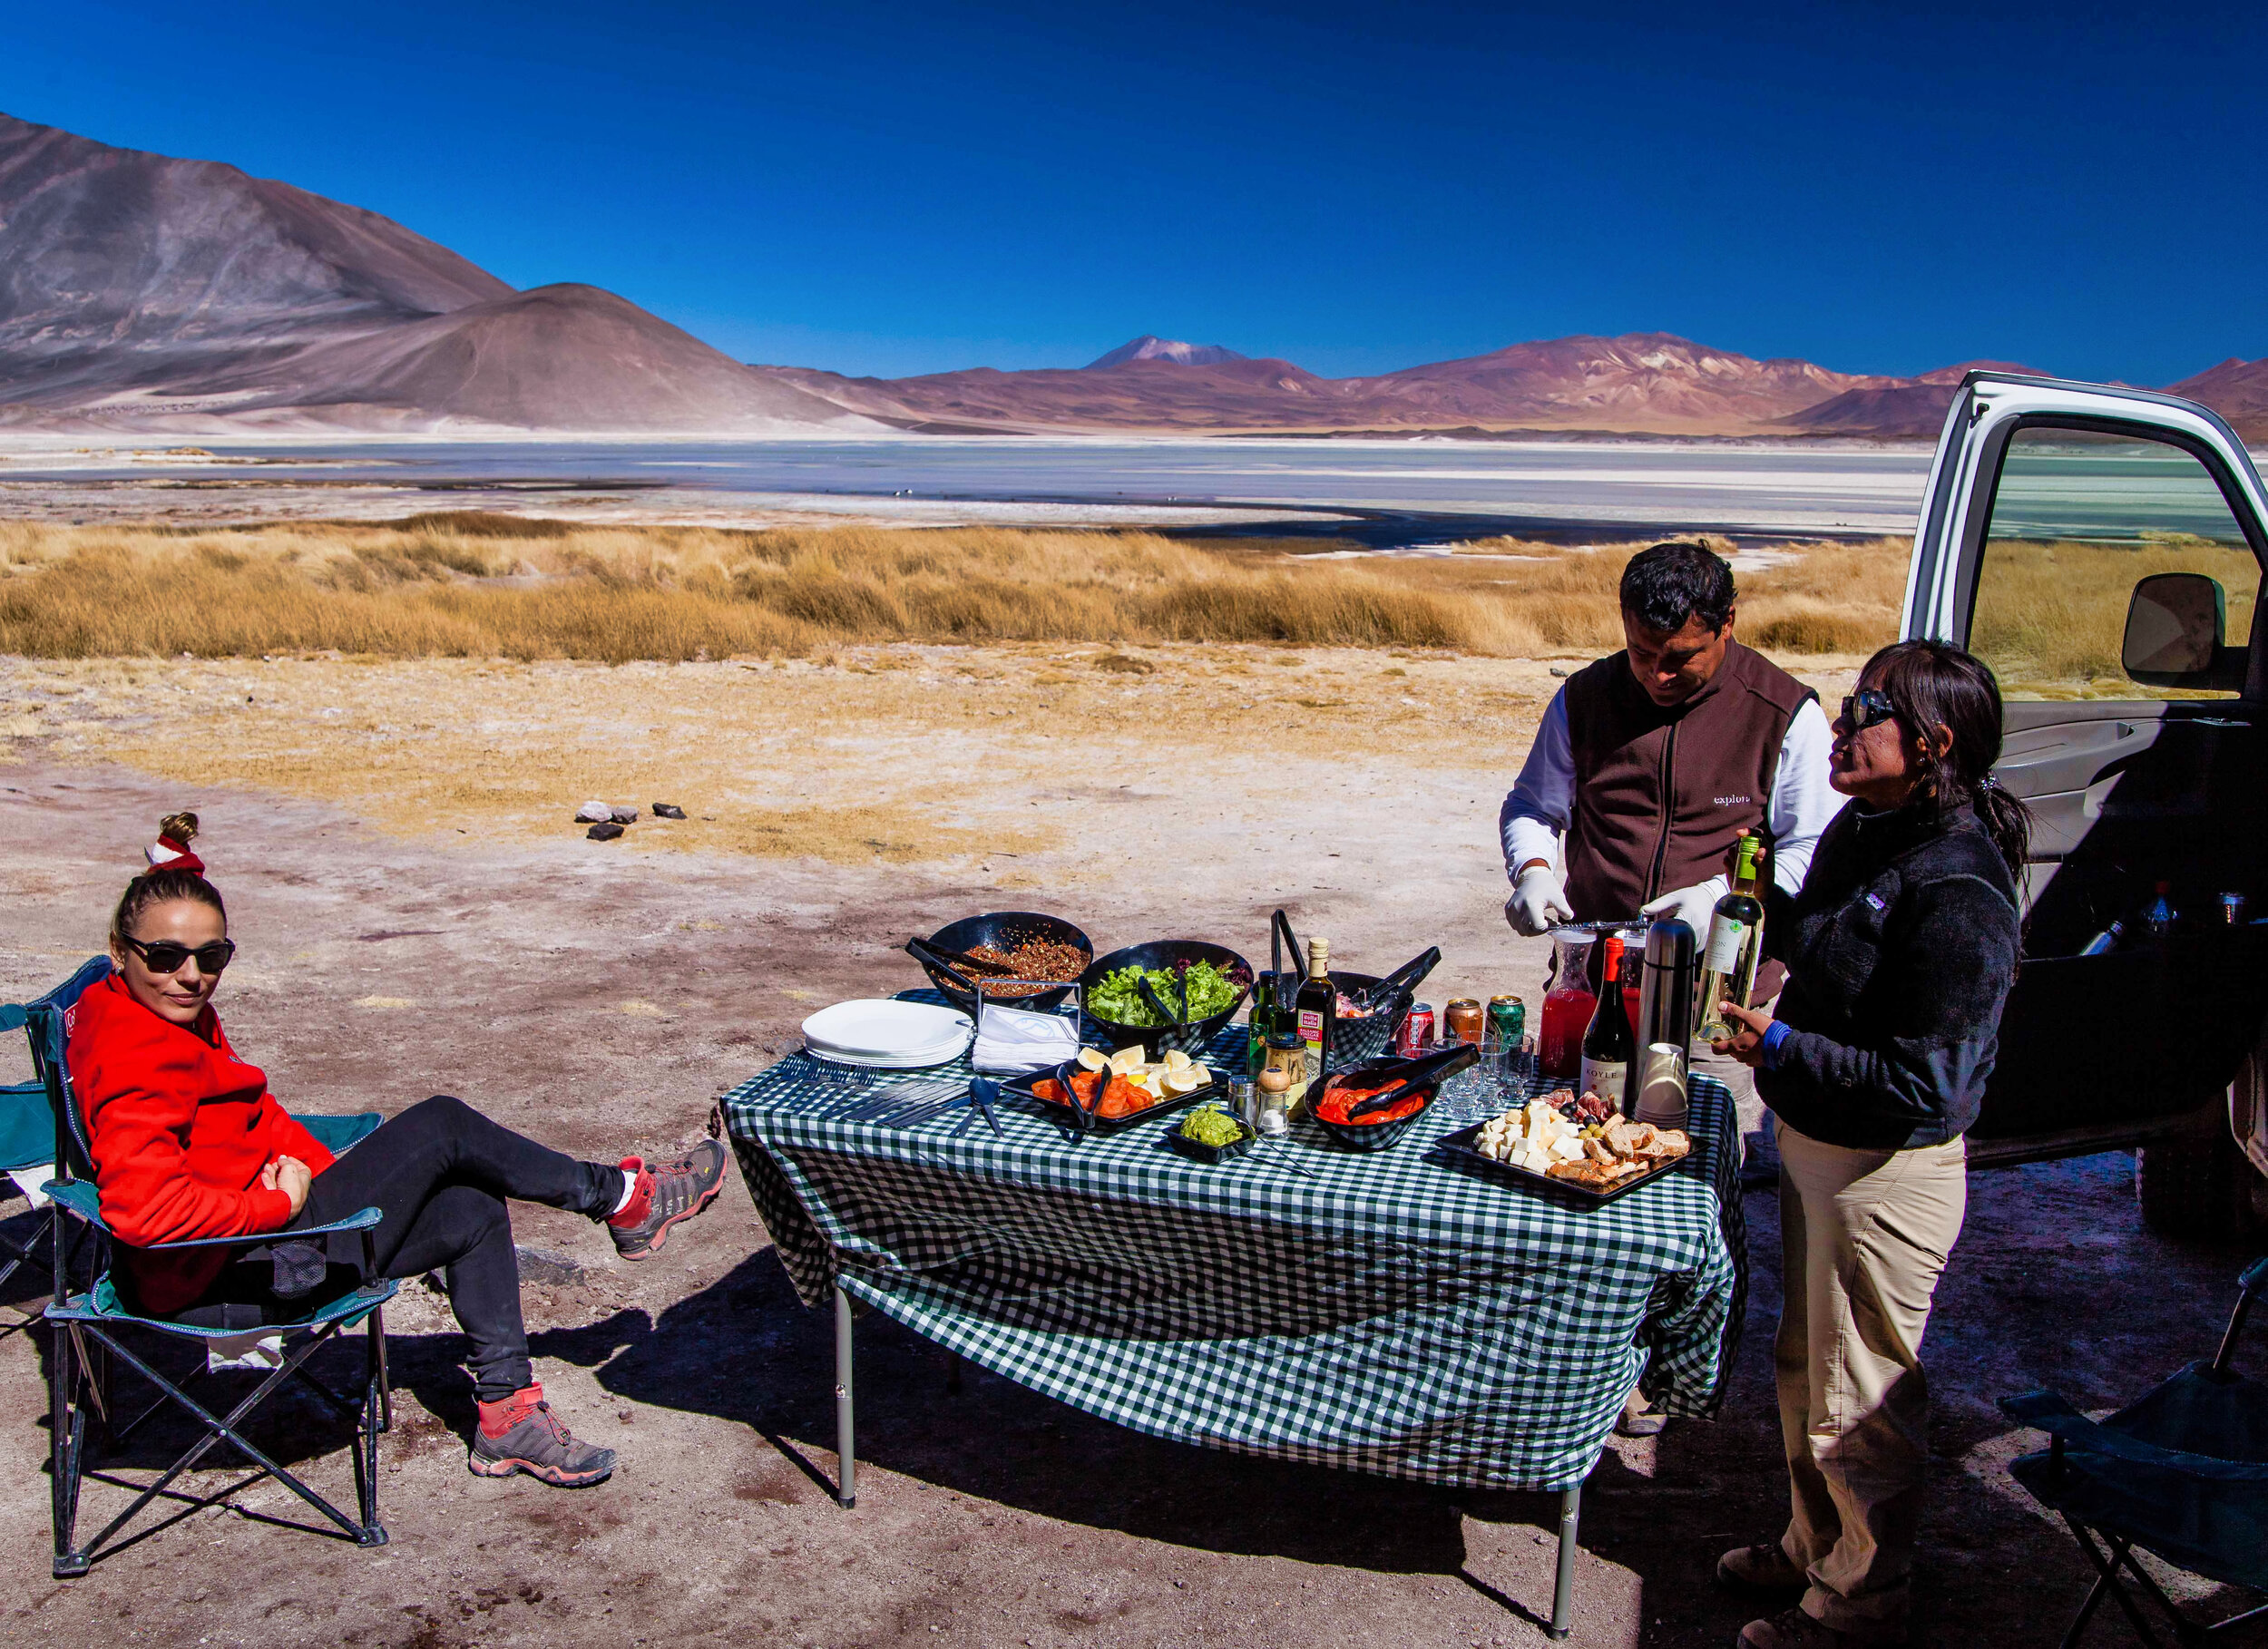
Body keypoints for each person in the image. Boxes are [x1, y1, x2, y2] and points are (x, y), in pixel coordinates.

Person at [65, 813, 730, 1489]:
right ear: (119, 950)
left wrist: (330, 1181)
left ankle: (508, 1415)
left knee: (471, 1208)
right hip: (224, 1276)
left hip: (248, 1246)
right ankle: (622, 1199)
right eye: (166, 957)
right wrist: (276, 1201)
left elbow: (245, 1104)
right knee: (443, 1124)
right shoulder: (138, 1056)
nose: (190, 976)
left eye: (212, 958)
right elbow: (143, 1214)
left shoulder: (129, 1003)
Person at [1706, 641, 2029, 1648]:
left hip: (1883, 1176)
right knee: (1807, 1365)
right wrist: (1755, 896)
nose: (1840, 728)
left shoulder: (1962, 892)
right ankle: (1814, 1550)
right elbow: (1816, 939)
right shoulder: (1872, 824)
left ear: (1930, 743)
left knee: (1864, 1398)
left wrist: (1787, 1042)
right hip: (1811, 1139)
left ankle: (1859, 1606)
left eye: (1864, 713)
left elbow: (1926, 1082)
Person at [1501, 539, 1843, 1434]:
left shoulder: (1784, 713)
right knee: (1579, 1152)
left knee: (1682, 1173)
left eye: (1681, 657)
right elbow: (1535, 805)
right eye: (1641, 652)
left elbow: (1819, 851)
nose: (1655, 674)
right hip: (1598, 971)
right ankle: (1577, 1341)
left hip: (1719, 990)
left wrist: (1732, 898)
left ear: (1727, 627)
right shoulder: (1583, 697)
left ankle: (1672, 1350)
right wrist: (1535, 869)